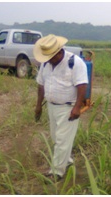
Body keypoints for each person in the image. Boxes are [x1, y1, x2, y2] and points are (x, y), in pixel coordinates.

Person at [33, 34, 88, 183]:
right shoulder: (45, 64)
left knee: (62, 140)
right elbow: (41, 85)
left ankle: (56, 172)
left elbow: (82, 85)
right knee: (56, 138)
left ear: (59, 51)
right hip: (52, 106)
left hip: (68, 107)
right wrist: (38, 106)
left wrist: (77, 108)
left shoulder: (74, 63)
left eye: (51, 56)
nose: (49, 59)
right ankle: (67, 160)